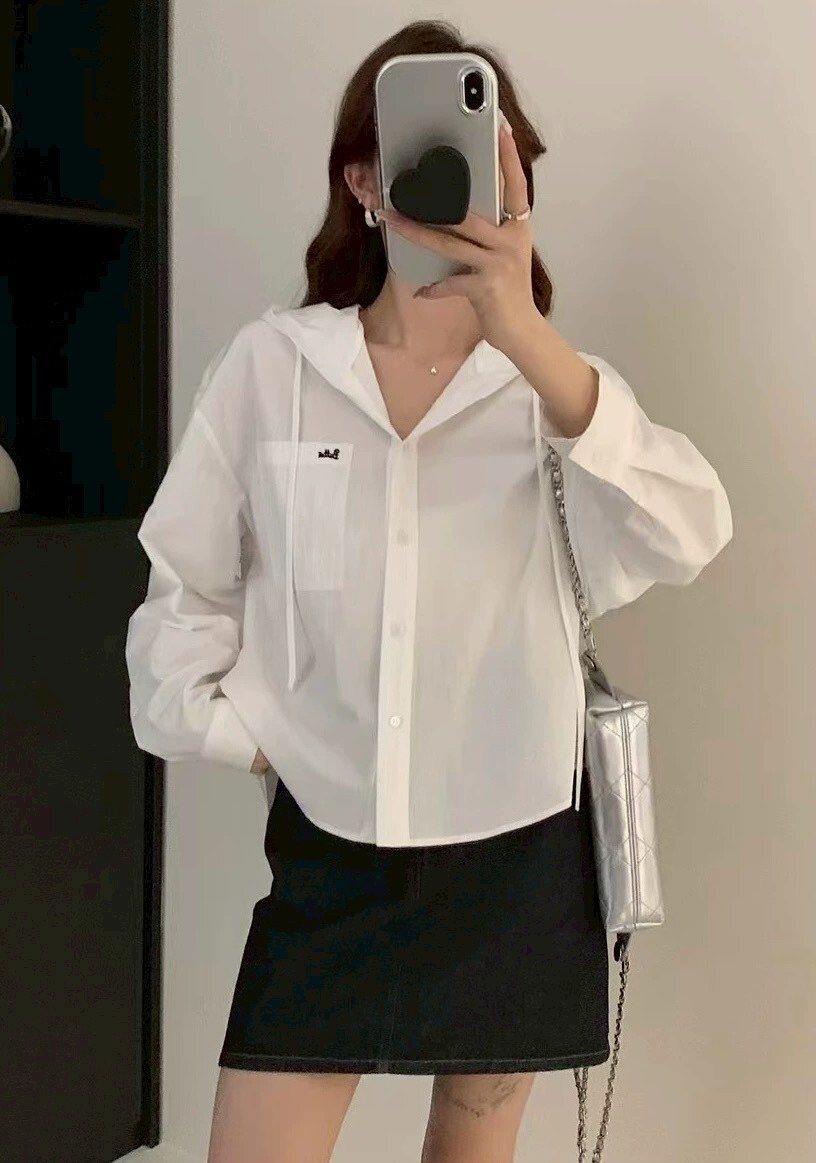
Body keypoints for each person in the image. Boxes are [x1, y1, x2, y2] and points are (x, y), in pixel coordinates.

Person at [125, 18, 733, 1163]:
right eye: (422, 157)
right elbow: (181, 598)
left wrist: (525, 330)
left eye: (485, 162)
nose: (456, 187)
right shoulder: (274, 369)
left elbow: (691, 527)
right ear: (364, 181)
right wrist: (263, 738)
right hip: (329, 856)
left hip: (516, 855)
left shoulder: (548, 391)